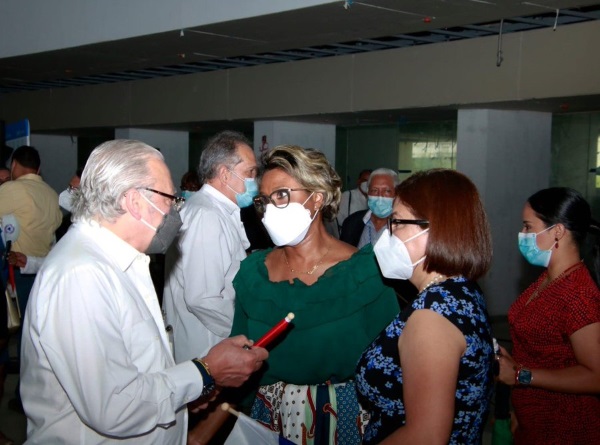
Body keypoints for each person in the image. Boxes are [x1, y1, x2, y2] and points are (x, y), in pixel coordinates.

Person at [20, 139, 268, 444]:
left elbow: (139, 368)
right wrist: (204, 372)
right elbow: (115, 405)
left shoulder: (119, 261)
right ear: (134, 201)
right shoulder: (82, 273)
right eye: (169, 199)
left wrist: (184, 396)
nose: (175, 211)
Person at [230, 145, 399, 445]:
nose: (270, 210)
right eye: (264, 201)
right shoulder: (254, 275)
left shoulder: (365, 273)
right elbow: (240, 363)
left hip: (342, 420)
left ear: (317, 197)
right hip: (269, 420)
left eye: (281, 195)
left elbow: (392, 369)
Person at [356, 168, 494, 444]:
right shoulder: (461, 290)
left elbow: (425, 436)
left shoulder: (432, 316)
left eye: (396, 222)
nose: (387, 233)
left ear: (434, 230)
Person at [497, 187, 600, 445]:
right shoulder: (548, 278)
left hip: (566, 428)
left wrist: (521, 375)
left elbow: (596, 375)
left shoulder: (578, 294)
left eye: (528, 227)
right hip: (534, 422)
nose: (522, 234)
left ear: (557, 231)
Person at [0, 145, 62, 315]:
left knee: (18, 320)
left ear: (13, 164)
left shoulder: (12, 189)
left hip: (17, 269)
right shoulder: (52, 194)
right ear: (38, 169)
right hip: (44, 270)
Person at [340, 168, 399, 248]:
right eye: (374, 190)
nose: (380, 196)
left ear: (396, 193)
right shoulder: (351, 223)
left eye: (387, 191)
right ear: (368, 192)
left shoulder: (404, 226)